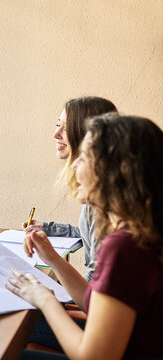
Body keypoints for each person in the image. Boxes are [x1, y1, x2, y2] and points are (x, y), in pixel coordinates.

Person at [8, 113, 163, 359]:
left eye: (84, 157)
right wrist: (52, 258)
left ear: (117, 171)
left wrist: (45, 299)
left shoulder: (125, 247)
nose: (74, 165)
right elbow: (96, 303)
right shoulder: (141, 235)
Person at [23, 96, 117, 281]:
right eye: (57, 124)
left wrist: (47, 299)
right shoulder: (101, 191)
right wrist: (48, 228)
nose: (56, 134)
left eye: (65, 128)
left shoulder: (102, 201)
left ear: (88, 135)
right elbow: (90, 234)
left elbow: (96, 284)